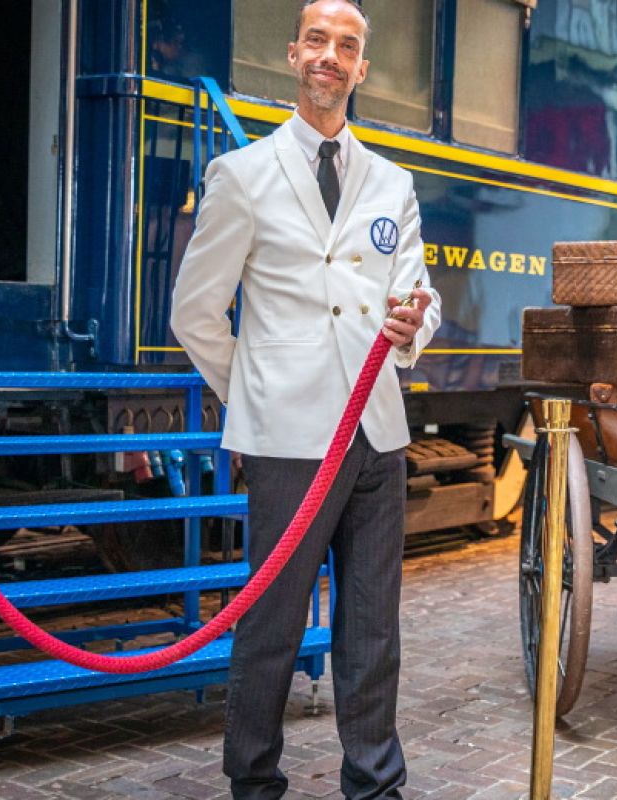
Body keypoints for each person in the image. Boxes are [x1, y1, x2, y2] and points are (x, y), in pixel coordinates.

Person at [169, 1, 440, 797]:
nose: (330, 55)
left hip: (376, 436)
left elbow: (416, 295)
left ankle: (375, 782)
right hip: (287, 439)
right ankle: (253, 782)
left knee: (372, 628)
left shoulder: (392, 182)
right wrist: (252, 398)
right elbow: (194, 312)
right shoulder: (242, 175)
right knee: (271, 628)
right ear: (293, 56)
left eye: (347, 46)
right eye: (317, 40)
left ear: (361, 69)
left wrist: (412, 324)